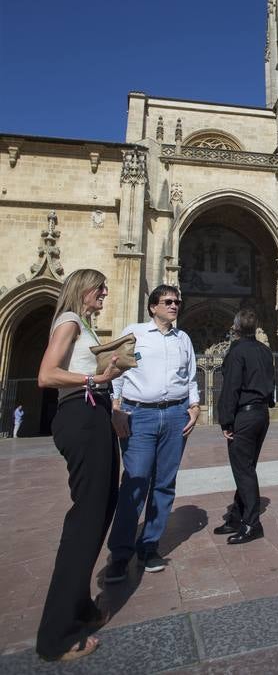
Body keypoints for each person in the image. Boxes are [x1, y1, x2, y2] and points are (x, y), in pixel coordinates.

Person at [36, 269, 121, 662]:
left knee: (102, 507)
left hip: (94, 414)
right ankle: (56, 635)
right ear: (83, 290)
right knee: (86, 518)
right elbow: (46, 374)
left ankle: (80, 604)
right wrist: (97, 377)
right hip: (80, 417)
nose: (105, 293)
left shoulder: (82, 323)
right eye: (100, 288)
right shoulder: (69, 320)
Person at [105, 284, 200, 582]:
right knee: (135, 482)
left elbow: (191, 376)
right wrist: (116, 407)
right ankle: (120, 554)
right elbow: (115, 370)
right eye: (168, 302)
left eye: (177, 302)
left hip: (175, 413)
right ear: (153, 307)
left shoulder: (182, 338)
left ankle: (149, 546)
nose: (174, 306)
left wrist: (195, 405)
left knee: (164, 483)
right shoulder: (134, 332)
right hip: (139, 416)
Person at [215, 309, 275, 544]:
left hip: (244, 416)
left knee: (243, 469)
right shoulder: (265, 350)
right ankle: (236, 516)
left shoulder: (236, 352)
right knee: (247, 466)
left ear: (236, 328)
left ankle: (252, 523)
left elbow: (231, 388)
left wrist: (226, 420)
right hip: (262, 414)